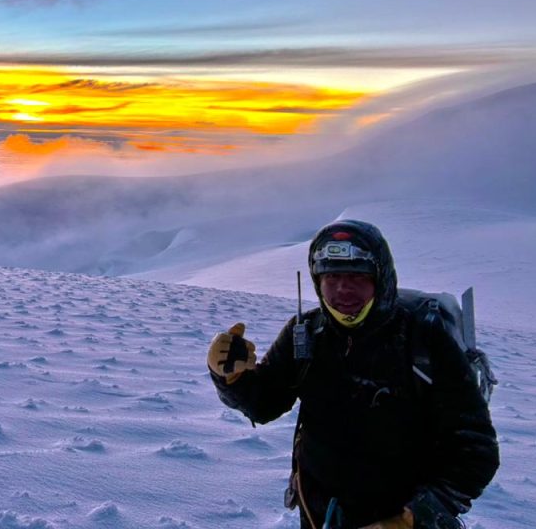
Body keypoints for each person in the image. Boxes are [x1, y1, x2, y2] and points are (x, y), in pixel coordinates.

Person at [207, 220, 499, 529]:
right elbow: (265, 403)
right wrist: (230, 378)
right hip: (319, 514)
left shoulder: (424, 339)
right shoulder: (307, 332)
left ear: (380, 279)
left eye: (357, 277)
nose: (343, 289)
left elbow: (476, 449)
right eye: (331, 277)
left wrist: (414, 517)